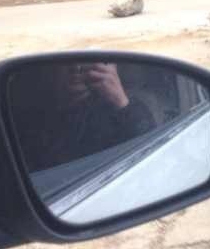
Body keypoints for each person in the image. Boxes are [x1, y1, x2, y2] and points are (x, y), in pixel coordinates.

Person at [8, 62, 155, 172]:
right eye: (65, 62)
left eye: (86, 62)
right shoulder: (26, 119)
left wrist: (120, 100)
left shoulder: (114, 111)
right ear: (47, 71)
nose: (77, 68)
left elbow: (149, 152)